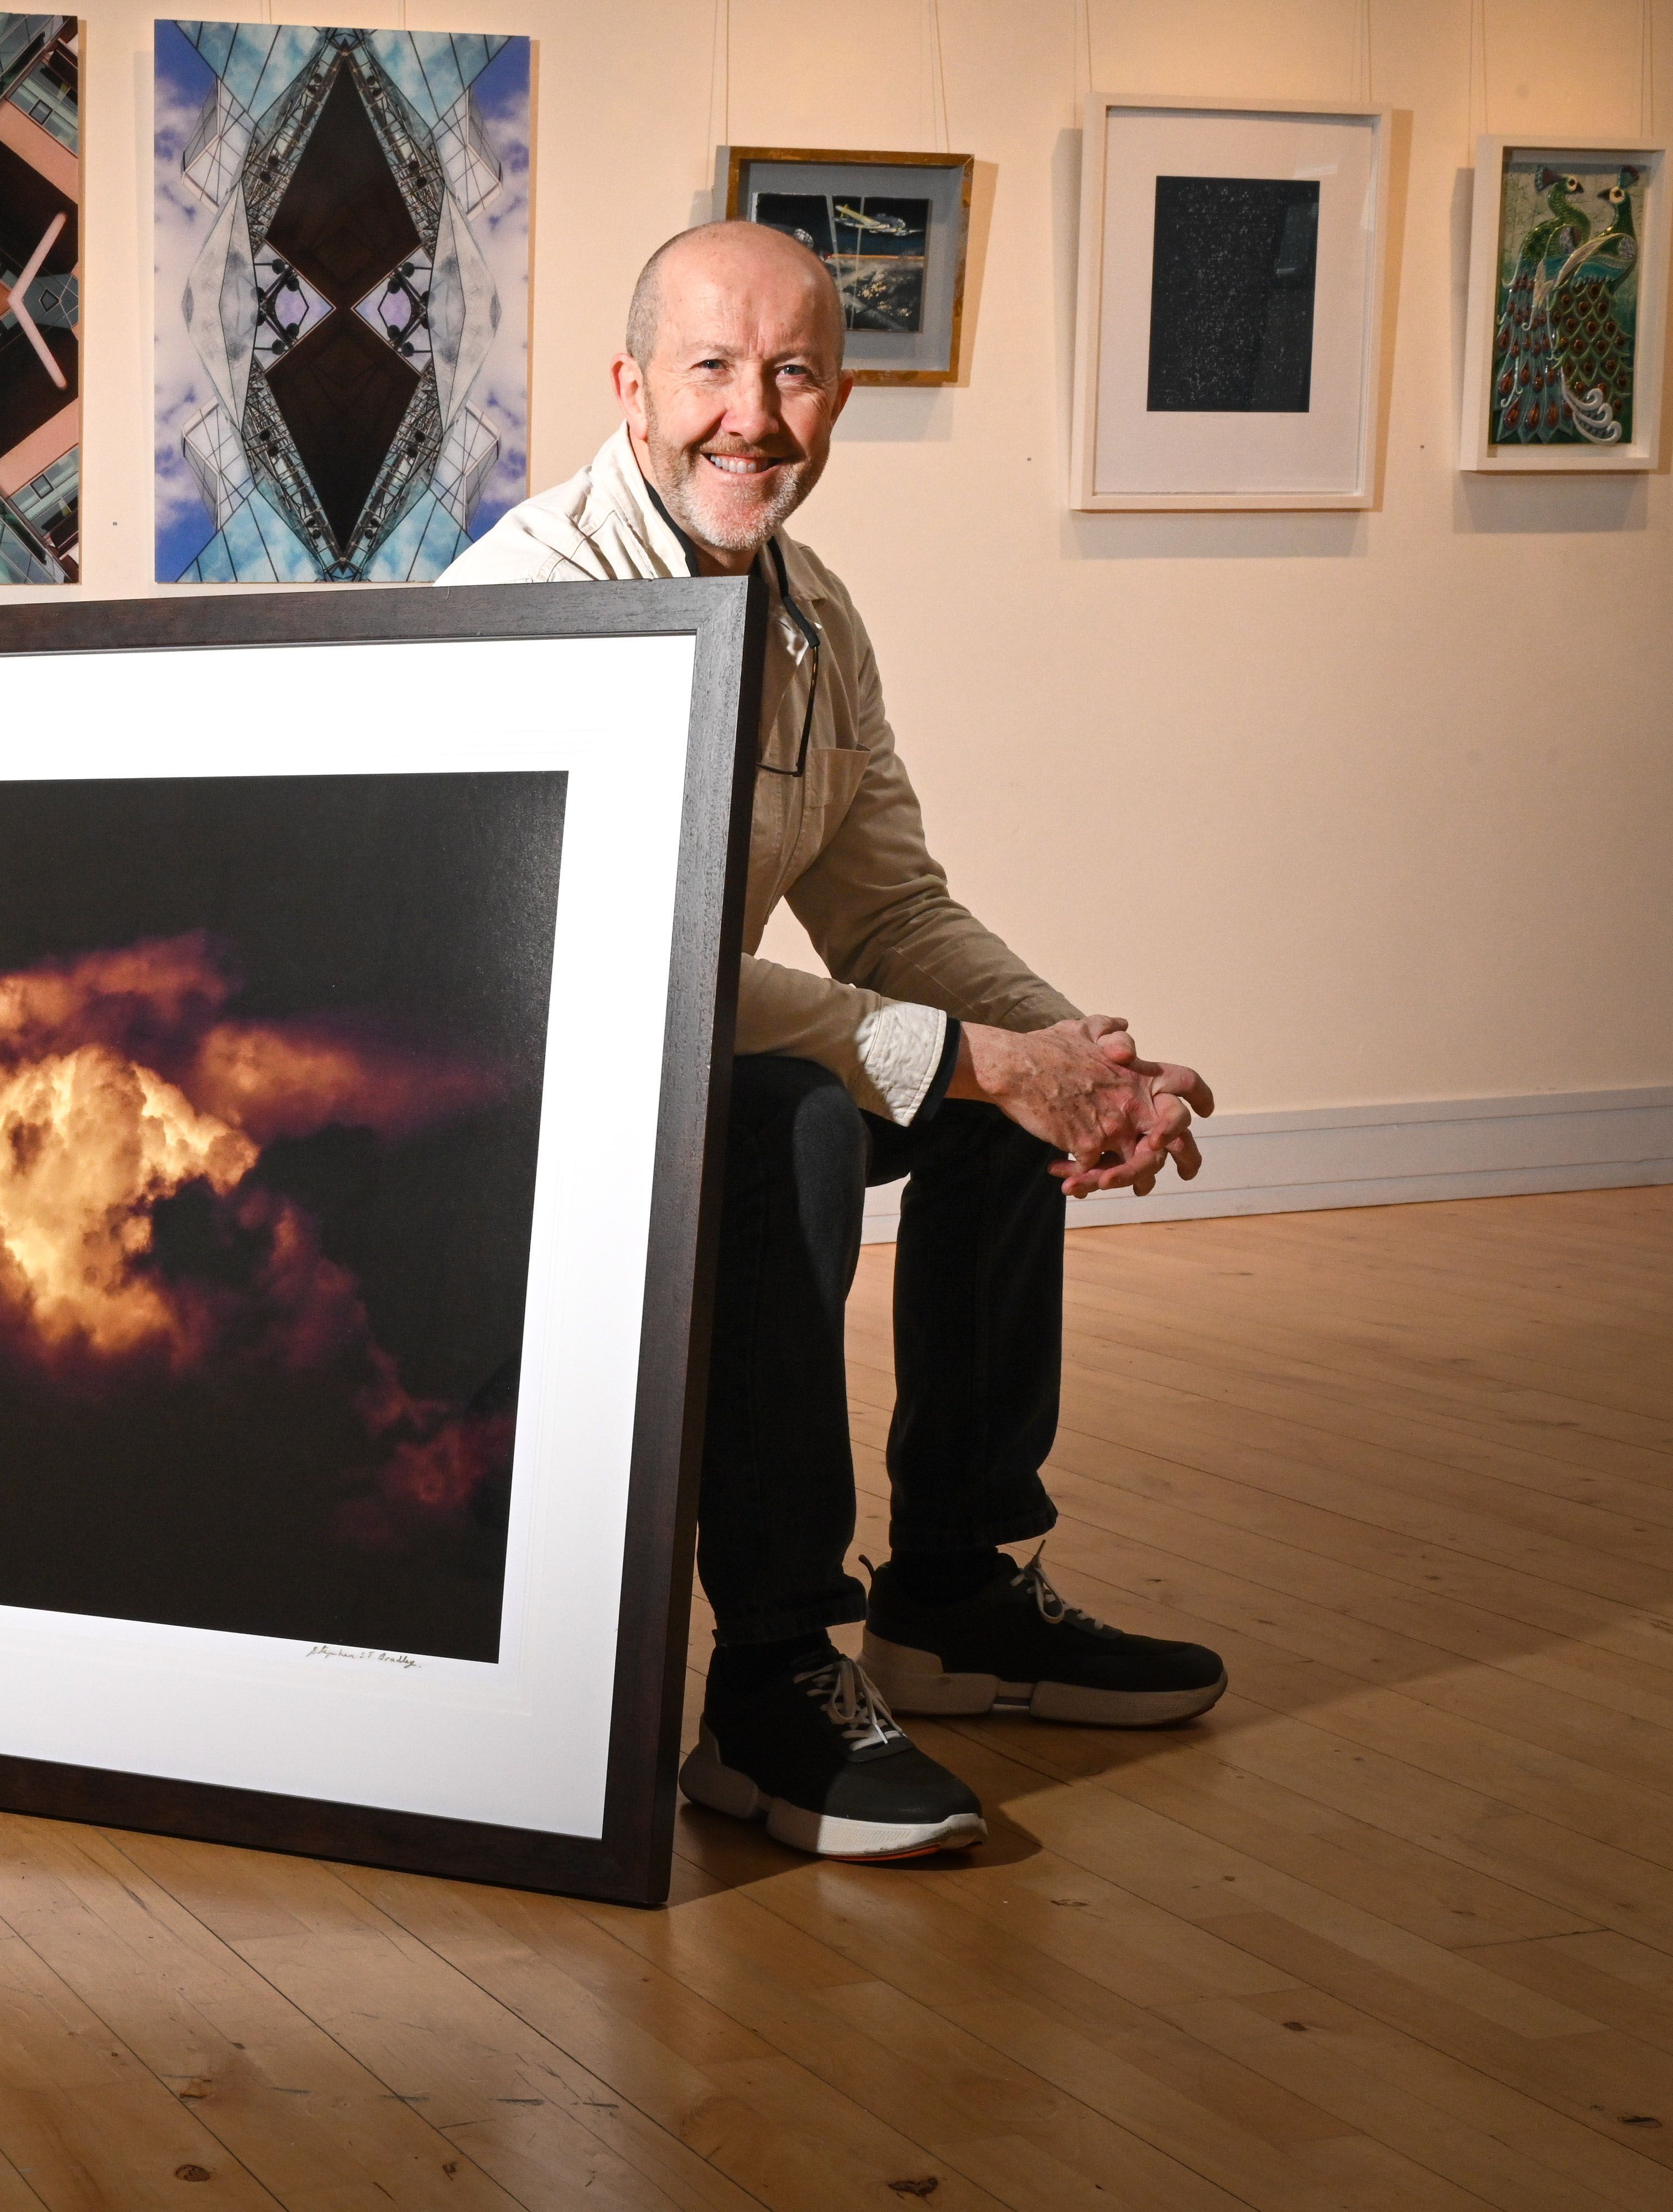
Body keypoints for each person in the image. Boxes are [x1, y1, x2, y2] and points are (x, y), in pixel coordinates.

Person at [440, 222, 1228, 1861]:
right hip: (485, 1099)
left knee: (982, 1104)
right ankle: (770, 1677)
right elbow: (615, 955)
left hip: (675, 1059)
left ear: (840, 399)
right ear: (632, 388)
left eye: (793, 373)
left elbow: (895, 912)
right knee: (792, 1121)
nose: (754, 416)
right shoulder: (537, 595)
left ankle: (951, 1595)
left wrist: (1077, 1064)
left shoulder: (815, 615)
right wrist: (983, 1054)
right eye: (712, 370)